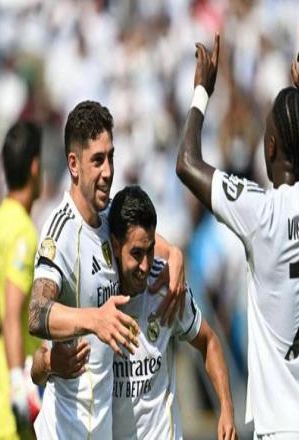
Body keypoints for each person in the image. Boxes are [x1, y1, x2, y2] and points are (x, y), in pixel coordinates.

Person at [175, 27, 299, 440]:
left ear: (271, 145)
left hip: (281, 427)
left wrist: (202, 91)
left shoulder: (259, 212)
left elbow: (186, 163)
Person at [28, 101, 186, 439]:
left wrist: (175, 255)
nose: (108, 171)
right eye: (97, 160)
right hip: (65, 432)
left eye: (111, 157)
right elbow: (36, 313)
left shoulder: (108, 215)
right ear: (74, 165)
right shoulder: (61, 231)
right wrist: (94, 319)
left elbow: (149, 242)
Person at [31, 185, 238, 440]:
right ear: (116, 246)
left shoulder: (165, 288)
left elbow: (209, 341)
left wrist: (227, 410)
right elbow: (37, 368)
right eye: (136, 254)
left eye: (150, 250)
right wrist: (51, 364)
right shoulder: (90, 296)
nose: (145, 265)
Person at [0, 121, 44, 439]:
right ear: (35, 167)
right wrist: (19, 385)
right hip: (14, 412)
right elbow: (11, 312)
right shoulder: (23, 232)